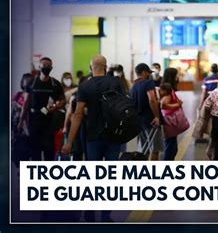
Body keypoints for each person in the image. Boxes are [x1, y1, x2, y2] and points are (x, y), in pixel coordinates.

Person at [61, 55, 125, 222]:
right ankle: (106, 215)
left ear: (91, 67)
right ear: (105, 67)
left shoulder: (85, 86)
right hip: (113, 136)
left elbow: (77, 114)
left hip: (93, 137)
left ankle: (90, 211)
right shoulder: (116, 83)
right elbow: (125, 107)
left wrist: (69, 141)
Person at [18, 57, 65, 161]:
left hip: (49, 122)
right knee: (35, 153)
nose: (47, 68)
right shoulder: (31, 82)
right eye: (44, 66)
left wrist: (56, 106)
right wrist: (21, 121)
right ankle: (36, 175)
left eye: (49, 66)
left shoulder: (55, 84)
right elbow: (25, 103)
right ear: (39, 67)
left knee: (49, 153)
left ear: (51, 67)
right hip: (34, 122)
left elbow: (62, 100)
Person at [130, 63, 164, 161]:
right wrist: (157, 117)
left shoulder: (134, 86)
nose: (149, 75)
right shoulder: (148, 83)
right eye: (148, 72)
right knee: (155, 149)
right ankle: (153, 173)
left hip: (139, 121)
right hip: (151, 120)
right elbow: (152, 99)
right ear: (144, 72)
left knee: (144, 149)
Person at [160, 68, 183, 161]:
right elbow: (163, 105)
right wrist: (178, 104)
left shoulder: (167, 87)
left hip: (170, 120)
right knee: (170, 148)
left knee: (172, 147)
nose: (178, 77)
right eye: (176, 75)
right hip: (169, 120)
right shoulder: (168, 88)